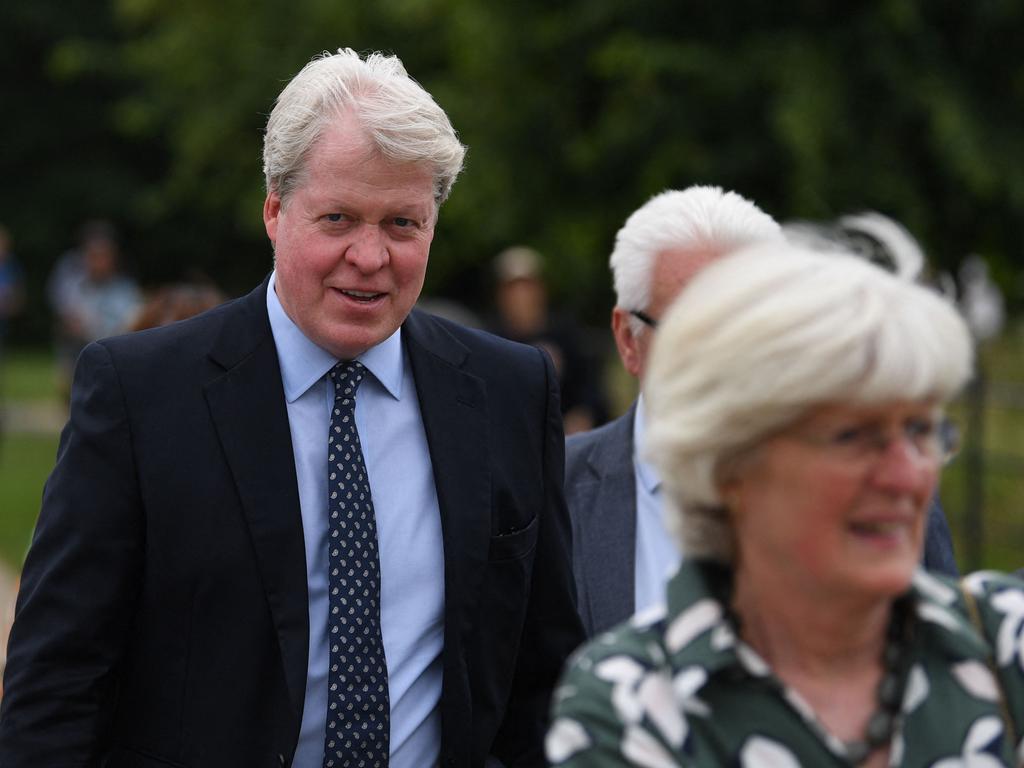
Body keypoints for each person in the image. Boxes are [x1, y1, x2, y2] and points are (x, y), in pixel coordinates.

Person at [0, 48, 583, 768]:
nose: (370, 257)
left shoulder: (509, 392)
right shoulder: (140, 393)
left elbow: (546, 676)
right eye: (338, 219)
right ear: (275, 210)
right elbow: (56, 683)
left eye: (402, 224)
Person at [548, 241, 1024, 766]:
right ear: (733, 467)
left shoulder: (1001, 643)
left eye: (920, 430)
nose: (907, 475)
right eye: (851, 437)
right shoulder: (633, 702)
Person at [566, 187, 959, 638]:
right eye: (694, 329)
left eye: (750, 327)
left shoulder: (883, 488)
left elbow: (944, 663)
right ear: (628, 340)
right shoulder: (550, 490)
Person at [488, 246, 607, 435]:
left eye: (527, 287)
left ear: (541, 289)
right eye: (514, 289)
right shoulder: (491, 338)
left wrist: (582, 414)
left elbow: (589, 386)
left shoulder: (564, 333)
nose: (521, 296)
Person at [46, 220, 142, 399]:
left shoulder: (124, 289)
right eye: (93, 257)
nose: (98, 263)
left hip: (112, 353)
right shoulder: (75, 285)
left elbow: (132, 322)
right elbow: (65, 313)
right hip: (81, 349)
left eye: (103, 257)